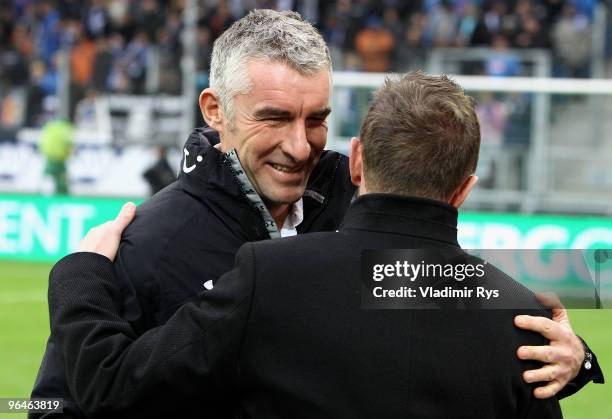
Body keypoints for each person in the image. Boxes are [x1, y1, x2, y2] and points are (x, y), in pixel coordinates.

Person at [31, 10, 602, 419]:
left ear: (357, 158)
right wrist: (81, 273)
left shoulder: (360, 212)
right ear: (216, 111)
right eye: (275, 118)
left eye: (317, 119)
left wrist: (575, 358)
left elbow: (454, 282)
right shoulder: (145, 243)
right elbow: (58, 403)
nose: (301, 146)